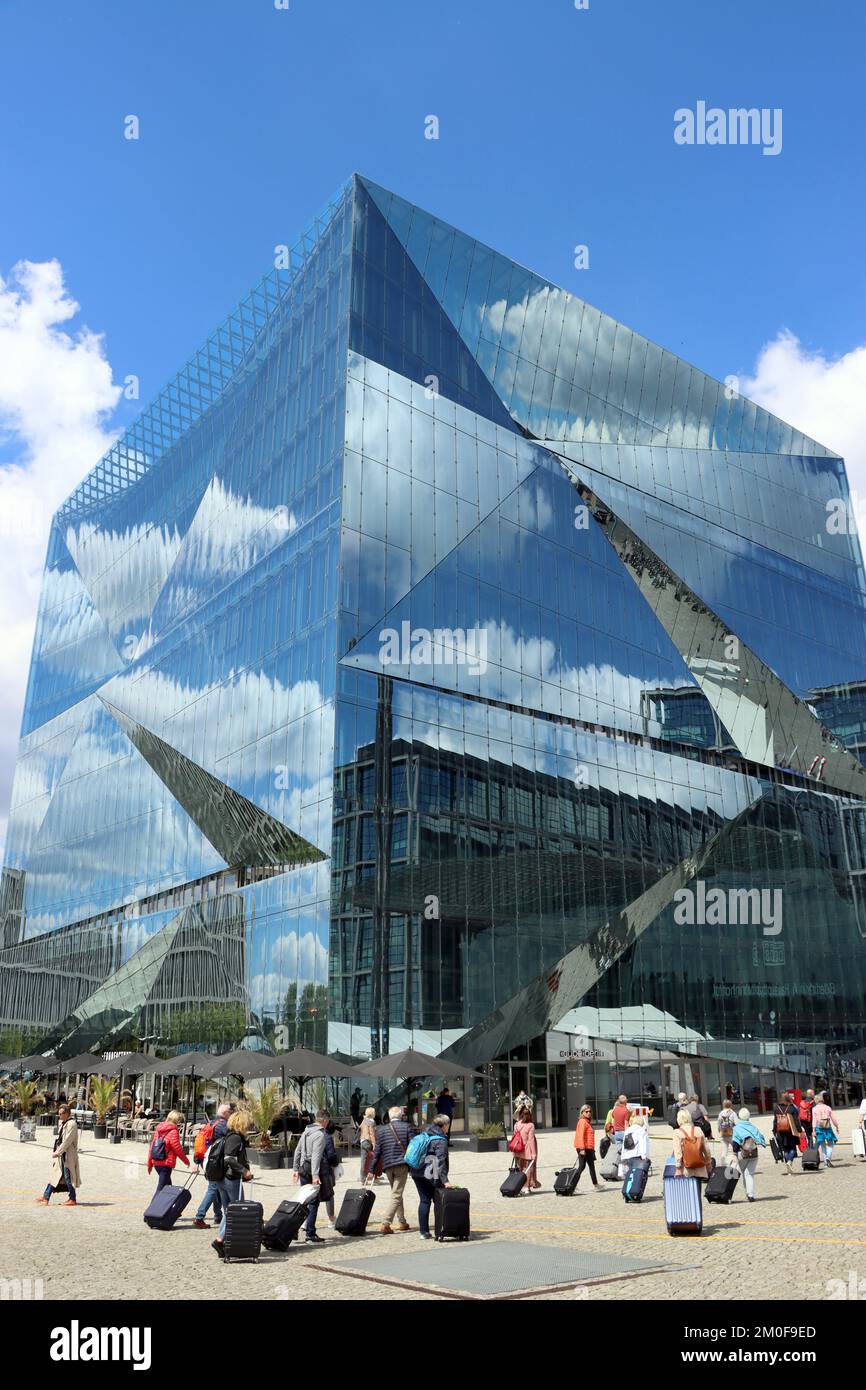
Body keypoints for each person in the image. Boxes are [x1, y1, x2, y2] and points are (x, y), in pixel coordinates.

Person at [212, 1110, 254, 1258]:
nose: (248, 1126)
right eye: (247, 1123)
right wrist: (244, 1171)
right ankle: (220, 1240)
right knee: (236, 1211)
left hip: (222, 1178)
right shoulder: (235, 1138)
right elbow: (229, 1158)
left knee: (228, 1211)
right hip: (231, 1179)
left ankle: (222, 1240)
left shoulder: (229, 1136)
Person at [292, 1108, 334, 1244]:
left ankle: (294, 1228)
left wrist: (295, 1169)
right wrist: (316, 1175)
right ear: (325, 1121)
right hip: (312, 1169)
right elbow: (316, 1156)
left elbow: (298, 1150)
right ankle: (310, 1232)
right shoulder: (320, 1135)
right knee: (314, 1201)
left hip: (303, 1168)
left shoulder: (306, 1131)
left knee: (303, 1200)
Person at [374, 1104, 417, 1233]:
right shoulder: (407, 1127)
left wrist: (371, 1169)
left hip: (388, 1166)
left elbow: (377, 1151)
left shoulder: (382, 1130)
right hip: (402, 1164)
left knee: (396, 1193)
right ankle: (386, 1223)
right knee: (397, 1194)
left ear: (389, 1116)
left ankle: (402, 1221)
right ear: (401, 1116)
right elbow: (413, 1146)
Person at [409, 1113, 451, 1240]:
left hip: (417, 1172)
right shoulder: (441, 1140)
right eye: (448, 1125)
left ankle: (424, 1232)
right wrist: (446, 1181)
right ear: (444, 1125)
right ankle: (440, 1230)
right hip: (432, 1174)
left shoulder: (424, 1133)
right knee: (438, 1201)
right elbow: (441, 1161)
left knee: (424, 1201)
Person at [192, 1102, 231, 1229]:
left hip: (207, 1160)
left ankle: (218, 1215)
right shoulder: (223, 1125)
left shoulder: (210, 1123)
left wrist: (197, 1162)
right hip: (215, 1161)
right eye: (230, 1112)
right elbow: (232, 1140)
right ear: (225, 1113)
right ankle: (200, 1217)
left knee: (218, 1187)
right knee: (213, 1188)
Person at [36, 1104, 80, 1207]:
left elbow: (67, 1141)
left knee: (68, 1178)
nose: (59, 1115)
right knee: (54, 1175)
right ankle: (45, 1197)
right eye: (59, 1113)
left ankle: (72, 1198)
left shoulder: (72, 1124)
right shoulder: (64, 1123)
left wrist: (58, 1152)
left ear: (67, 1114)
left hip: (68, 1155)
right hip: (62, 1155)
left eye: (61, 1114)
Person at [147, 1110, 190, 1191]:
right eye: (179, 1121)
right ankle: (154, 1204)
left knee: (168, 1187)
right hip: (166, 1163)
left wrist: (149, 1163)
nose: (179, 1124)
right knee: (161, 1189)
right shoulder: (173, 1131)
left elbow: (152, 1146)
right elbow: (177, 1148)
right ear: (176, 1120)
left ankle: (169, 1203)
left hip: (156, 1162)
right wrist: (186, 1161)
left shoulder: (159, 1129)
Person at [731, 1106, 766, 1201]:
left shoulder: (737, 1128)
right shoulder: (753, 1127)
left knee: (738, 1174)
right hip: (754, 1154)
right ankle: (750, 1195)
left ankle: (729, 1194)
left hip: (743, 1154)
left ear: (739, 1117)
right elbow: (761, 1138)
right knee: (749, 1174)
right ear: (748, 1116)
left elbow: (735, 1142)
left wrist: (734, 1154)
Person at [672, 1108, 712, 1182]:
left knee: (687, 1192)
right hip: (700, 1167)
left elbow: (678, 1152)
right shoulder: (698, 1129)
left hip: (686, 1168)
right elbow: (706, 1149)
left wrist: (678, 1168)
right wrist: (708, 1163)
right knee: (698, 1191)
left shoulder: (677, 1132)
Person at [512, 1105, 540, 1192]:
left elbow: (514, 1137)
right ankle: (527, 1187)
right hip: (527, 1150)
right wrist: (534, 1154)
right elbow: (531, 1140)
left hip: (517, 1149)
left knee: (520, 1168)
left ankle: (519, 1185)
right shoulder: (530, 1125)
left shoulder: (516, 1124)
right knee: (528, 1169)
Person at [573, 1104, 601, 1190]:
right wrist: (582, 1149)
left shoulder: (587, 1121)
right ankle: (572, 1184)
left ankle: (596, 1185)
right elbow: (580, 1136)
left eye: (590, 1111)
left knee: (591, 1166)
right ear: (582, 1112)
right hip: (584, 1148)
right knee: (582, 1166)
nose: (588, 1113)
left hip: (589, 1148)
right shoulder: (582, 1122)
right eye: (586, 1111)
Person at [772, 1092, 802, 1174]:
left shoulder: (777, 1108)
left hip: (780, 1131)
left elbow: (775, 1121)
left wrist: (774, 1130)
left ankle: (789, 1169)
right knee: (792, 1148)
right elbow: (796, 1121)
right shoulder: (792, 1108)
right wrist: (799, 1130)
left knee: (785, 1149)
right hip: (791, 1131)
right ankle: (789, 1162)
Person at [618, 1110, 650, 1177]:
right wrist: (644, 1157)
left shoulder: (627, 1130)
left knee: (628, 1178)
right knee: (636, 1178)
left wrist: (622, 1157)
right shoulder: (641, 1131)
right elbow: (643, 1145)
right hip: (637, 1156)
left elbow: (624, 1145)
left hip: (627, 1157)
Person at [812, 1092, 839, 1166]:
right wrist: (836, 1126)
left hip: (819, 1128)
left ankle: (825, 1163)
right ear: (822, 1100)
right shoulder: (827, 1107)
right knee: (830, 1144)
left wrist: (813, 1130)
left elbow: (814, 1120)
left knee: (823, 1145)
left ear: (816, 1100)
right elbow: (833, 1118)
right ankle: (828, 1157)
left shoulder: (814, 1109)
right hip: (827, 1127)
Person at [358, 1105, 377, 1182]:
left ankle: (362, 1178)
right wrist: (374, 1143)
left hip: (362, 1141)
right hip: (368, 1141)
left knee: (363, 1160)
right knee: (374, 1158)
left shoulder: (364, 1120)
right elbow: (372, 1134)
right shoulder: (371, 1122)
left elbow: (361, 1128)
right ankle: (373, 1177)